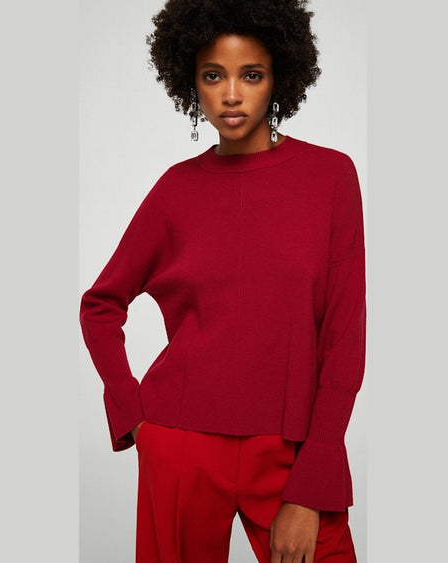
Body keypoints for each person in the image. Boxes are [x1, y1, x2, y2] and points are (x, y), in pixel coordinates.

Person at [79, 1, 366, 561]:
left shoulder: (331, 177)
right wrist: (133, 413)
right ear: (191, 82)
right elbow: (101, 304)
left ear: (279, 78)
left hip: (291, 449)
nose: (231, 95)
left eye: (251, 75)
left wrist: (312, 486)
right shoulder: (175, 190)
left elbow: (343, 339)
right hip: (180, 443)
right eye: (213, 76)